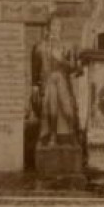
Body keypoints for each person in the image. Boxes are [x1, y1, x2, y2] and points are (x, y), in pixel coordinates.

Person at [32, 15, 81, 146]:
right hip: (47, 82)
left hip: (63, 82)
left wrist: (62, 60)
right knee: (51, 105)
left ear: (61, 28)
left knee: (67, 107)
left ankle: (72, 135)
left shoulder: (67, 45)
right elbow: (35, 68)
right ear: (48, 28)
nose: (56, 28)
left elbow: (74, 68)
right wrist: (34, 86)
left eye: (58, 25)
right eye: (53, 25)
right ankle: (52, 135)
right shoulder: (40, 46)